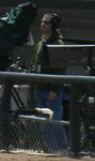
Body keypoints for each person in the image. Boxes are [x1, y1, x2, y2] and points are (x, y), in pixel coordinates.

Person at [30, 12, 67, 153]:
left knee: (55, 121)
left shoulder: (58, 44)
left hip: (51, 90)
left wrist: (55, 89)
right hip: (39, 87)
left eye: (47, 22)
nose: (43, 24)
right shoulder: (40, 44)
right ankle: (50, 148)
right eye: (42, 22)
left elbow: (60, 69)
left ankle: (62, 148)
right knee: (44, 123)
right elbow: (34, 63)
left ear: (54, 25)